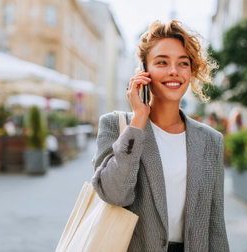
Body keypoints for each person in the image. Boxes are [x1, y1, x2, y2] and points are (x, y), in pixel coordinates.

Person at [92, 20, 229, 252]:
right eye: (162, 62)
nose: (173, 71)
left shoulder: (211, 141)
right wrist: (138, 119)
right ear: (143, 71)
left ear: (191, 71)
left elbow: (215, 223)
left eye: (183, 63)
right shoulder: (116, 127)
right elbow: (114, 194)